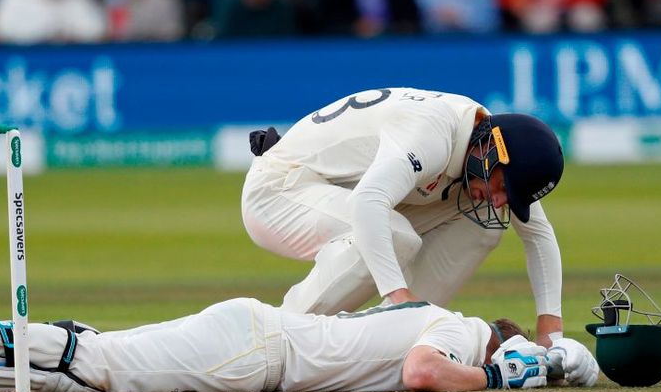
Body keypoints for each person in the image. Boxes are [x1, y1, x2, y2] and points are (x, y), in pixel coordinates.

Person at [240, 87, 591, 374]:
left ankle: (391, 345)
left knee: (482, 227)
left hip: (346, 190)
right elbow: (368, 202)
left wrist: (551, 332)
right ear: (489, 151)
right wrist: (398, 297)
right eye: (502, 185)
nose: (500, 201)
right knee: (394, 235)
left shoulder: (492, 141)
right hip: (281, 190)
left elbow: (537, 234)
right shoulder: (433, 133)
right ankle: (267, 343)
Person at [0, 295, 596, 392]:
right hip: (256, 350)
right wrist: (493, 380)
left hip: (255, 344)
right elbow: (424, 374)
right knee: (101, 370)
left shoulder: (450, 324)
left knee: (90, 374)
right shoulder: (459, 331)